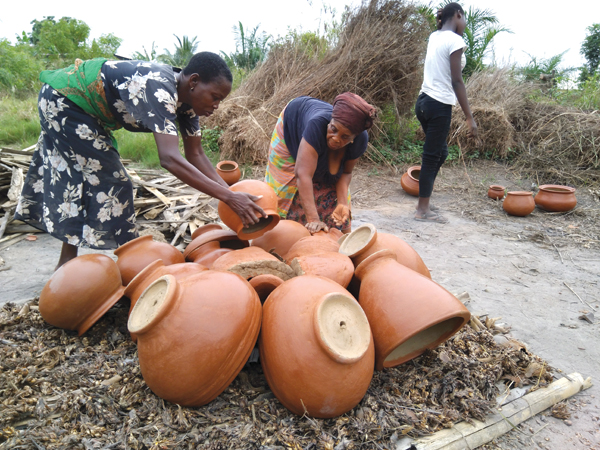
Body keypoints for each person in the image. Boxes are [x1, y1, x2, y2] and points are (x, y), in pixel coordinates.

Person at [15, 52, 266, 269]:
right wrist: (229, 197)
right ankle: (129, 262)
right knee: (113, 181)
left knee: (81, 179)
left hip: (85, 113)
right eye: (214, 96)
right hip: (65, 101)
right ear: (194, 81)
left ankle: (69, 262)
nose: (217, 105)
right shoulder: (158, 87)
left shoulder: (187, 104)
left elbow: (196, 154)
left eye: (220, 99)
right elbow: (169, 158)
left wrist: (231, 193)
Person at [265, 93, 376, 234]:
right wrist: (313, 219)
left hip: (319, 137)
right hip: (291, 123)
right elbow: (303, 174)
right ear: (330, 121)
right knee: (285, 184)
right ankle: (279, 232)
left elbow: (346, 172)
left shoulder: (360, 141)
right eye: (333, 129)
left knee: (333, 190)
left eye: (345, 137)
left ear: (354, 137)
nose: (336, 139)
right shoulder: (316, 125)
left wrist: (342, 203)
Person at [414, 2, 478, 223]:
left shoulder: (435, 36)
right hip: (439, 105)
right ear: (458, 15)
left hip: (423, 102)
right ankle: (422, 210)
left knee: (440, 153)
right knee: (432, 157)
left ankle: (425, 201)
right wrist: (469, 117)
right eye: (464, 19)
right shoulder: (455, 40)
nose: (465, 24)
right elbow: (457, 80)